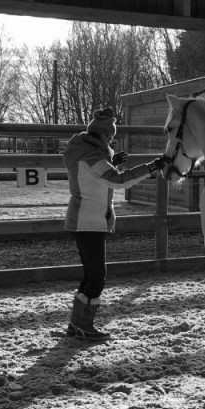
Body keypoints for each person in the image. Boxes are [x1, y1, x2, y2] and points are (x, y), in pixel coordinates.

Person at [62, 107, 166, 340]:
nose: (111, 140)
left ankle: (77, 325)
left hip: (88, 220)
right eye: (108, 137)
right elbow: (117, 181)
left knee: (92, 275)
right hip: (87, 221)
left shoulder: (88, 152)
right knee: (97, 277)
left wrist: (112, 161)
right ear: (98, 135)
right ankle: (81, 326)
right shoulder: (91, 155)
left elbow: (98, 178)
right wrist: (151, 167)